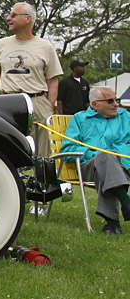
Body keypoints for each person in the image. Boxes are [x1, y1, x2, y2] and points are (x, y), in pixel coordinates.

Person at [0, 2, 62, 155]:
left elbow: (53, 79)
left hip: (38, 102)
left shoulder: (45, 46)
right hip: (9, 102)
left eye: (13, 15)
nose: (9, 18)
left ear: (28, 19)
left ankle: (41, 179)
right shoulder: (2, 44)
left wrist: (48, 105)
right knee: (9, 149)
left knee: (42, 155)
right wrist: (5, 93)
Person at [59, 87, 130, 234]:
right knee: (105, 156)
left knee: (107, 165)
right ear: (95, 104)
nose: (116, 104)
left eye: (117, 100)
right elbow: (67, 150)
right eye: (110, 101)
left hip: (125, 165)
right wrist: (96, 155)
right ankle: (126, 201)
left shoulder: (126, 117)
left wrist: (118, 154)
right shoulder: (80, 119)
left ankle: (113, 224)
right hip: (89, 167)